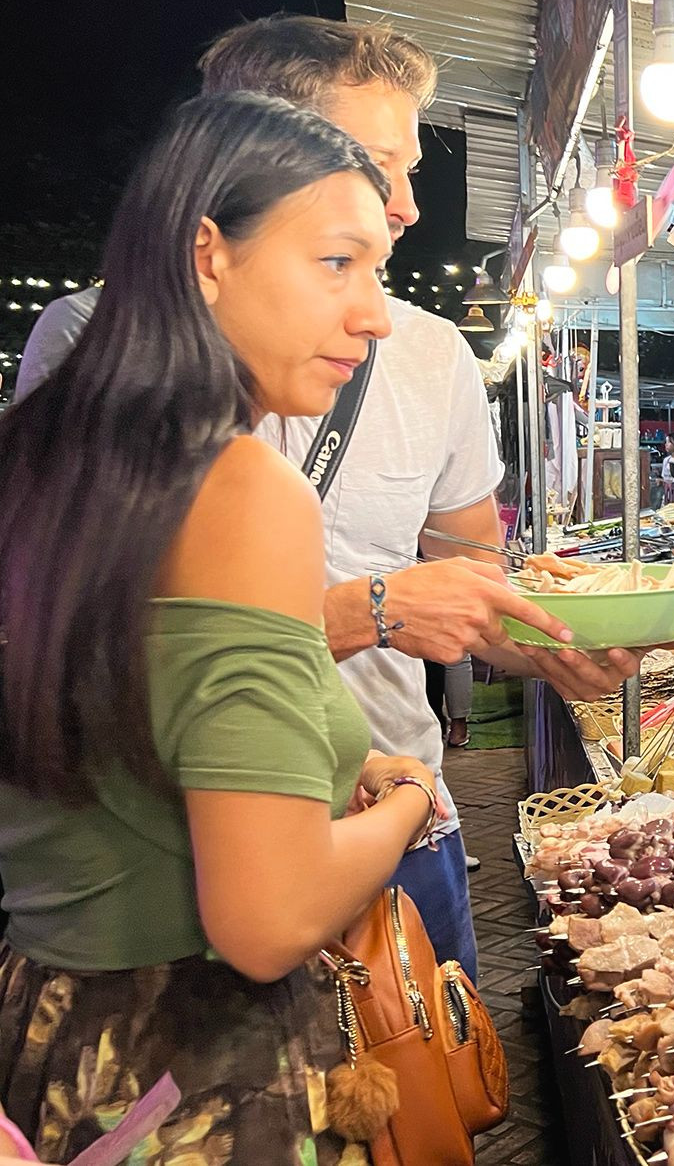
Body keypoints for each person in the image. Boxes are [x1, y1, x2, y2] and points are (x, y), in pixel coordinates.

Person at [14, 16, 645, 978]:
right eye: (368, 172)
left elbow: (466, 573)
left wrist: (549, 636)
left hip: (376, 806)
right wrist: (373, 617)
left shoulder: (431, 355)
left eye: (405, 174)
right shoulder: (96, 360)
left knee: (431, 1103)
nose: (405, 208)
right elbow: (100, 661)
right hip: (189, 877)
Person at [0, 94, 441, 1162]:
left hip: (48, 1039)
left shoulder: (35, 456)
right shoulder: (243, 488)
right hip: (190, 1074)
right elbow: (269, 910)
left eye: (376, 269)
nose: (375, 314)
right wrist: (408, 803)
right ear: (209, 252)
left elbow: (128, 737)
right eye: (338, 262)